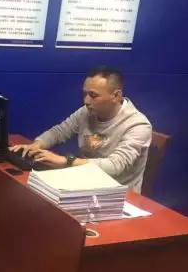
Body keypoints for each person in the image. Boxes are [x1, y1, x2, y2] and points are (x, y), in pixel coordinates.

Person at [10, 66, 152, 192]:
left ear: (116, 95)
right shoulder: (87, 111)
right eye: (85, 94)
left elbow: (115, 166)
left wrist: (66, 161)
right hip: (85, 182)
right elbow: (59, 132)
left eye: (93, 95)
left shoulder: (138, 125)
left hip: (118, 193)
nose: (86, 101)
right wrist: (36, 145)